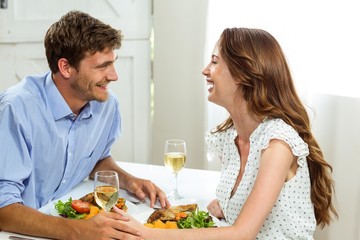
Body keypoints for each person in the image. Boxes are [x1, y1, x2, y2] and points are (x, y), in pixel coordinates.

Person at [120, 27, 338, 239]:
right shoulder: (229, 137)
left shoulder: (277, 144)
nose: (205, 70)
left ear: (243, 73)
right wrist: (229, 206)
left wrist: (146, 234)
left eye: (215, 61)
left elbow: (242, 234)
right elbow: (251, 206)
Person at [0, 10, 169, 240]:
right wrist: (78, 231)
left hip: (61, 220)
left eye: (113, 64)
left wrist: (129, 180)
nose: (114, 76)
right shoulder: (17, 109)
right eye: (102, 66)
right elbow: (3, 210)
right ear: (66, 67)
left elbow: (94, 158)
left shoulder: (106, 105)